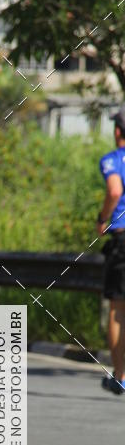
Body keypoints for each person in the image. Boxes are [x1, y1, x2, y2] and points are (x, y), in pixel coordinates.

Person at [98, 105, 125, 395]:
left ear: (117, 131)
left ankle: (120, 376)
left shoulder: (113, 160)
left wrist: (103, 218)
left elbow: (115, 191)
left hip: (122, 240)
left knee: (118, 310)